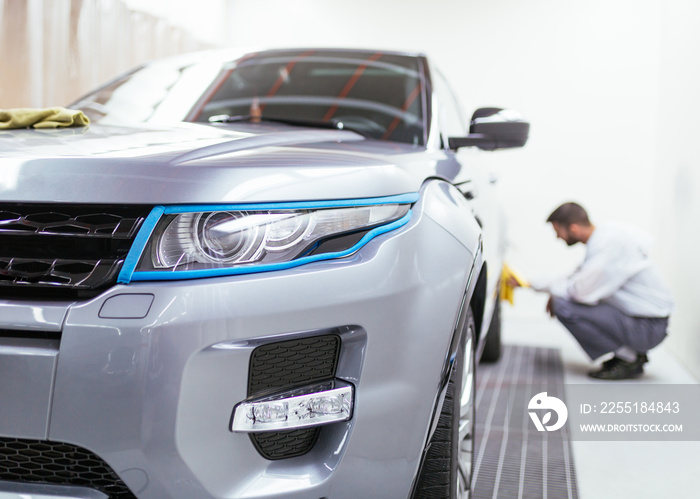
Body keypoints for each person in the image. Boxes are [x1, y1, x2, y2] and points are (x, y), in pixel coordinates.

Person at [522, 202, 674, 380]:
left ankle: (630, 358)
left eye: (558, 231)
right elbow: (574, 276)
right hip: (646, 321)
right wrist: (528, 283)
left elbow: (580, 292)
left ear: (573, 228)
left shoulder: (607, 245)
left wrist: (555, 294)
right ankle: (628, 355)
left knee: (563, 305)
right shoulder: (604, 238)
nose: (557, 237)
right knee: (564, 298)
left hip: (648, 327)